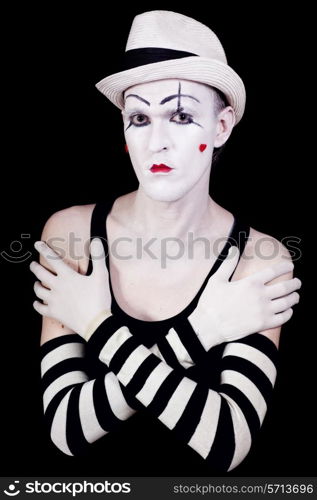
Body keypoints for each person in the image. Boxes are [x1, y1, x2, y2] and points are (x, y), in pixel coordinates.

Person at [30, 10, 301, 474]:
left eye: (180, 115)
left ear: (221, 126)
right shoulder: (71, 234)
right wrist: (207, 329)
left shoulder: (259, 259)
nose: (157, 141)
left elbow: (226, 446)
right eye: (139, 117)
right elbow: (66, 429)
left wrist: (93, 322)